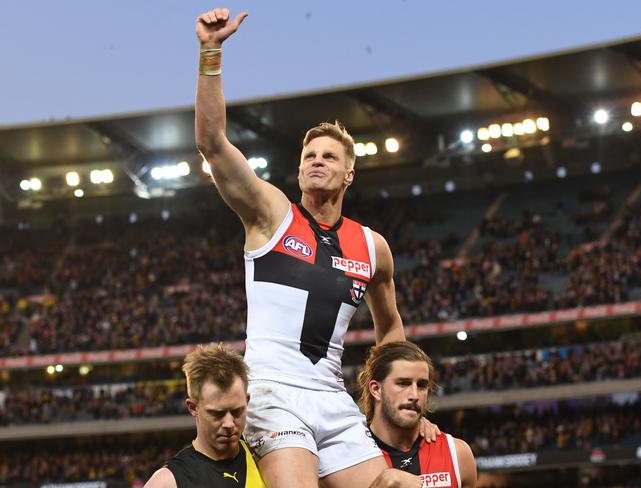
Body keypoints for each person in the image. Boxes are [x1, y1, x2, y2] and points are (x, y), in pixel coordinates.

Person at [194, 7, 438, 488]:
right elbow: (213, 144)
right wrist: (211, 52)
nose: (316, 162)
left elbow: (390, 327)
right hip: (272, 392)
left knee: (401, 485)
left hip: (333, 397)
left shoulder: (372, 248)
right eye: (309, 156)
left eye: (329, 156)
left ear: (349, 174)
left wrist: (396, 401)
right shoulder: (271, 214)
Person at [144, 343, 266, 488]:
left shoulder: (268, 459)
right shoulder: (167, 483)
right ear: (193, 407)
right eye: (217, 414)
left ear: (247, 401)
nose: (229, 424)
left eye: (236, 411)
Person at [358, 342, 477, 488]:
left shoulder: (458, 454)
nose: (414, 395)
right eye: (403, 383)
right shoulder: (349, 460)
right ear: (376, 389)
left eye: (421, 385)